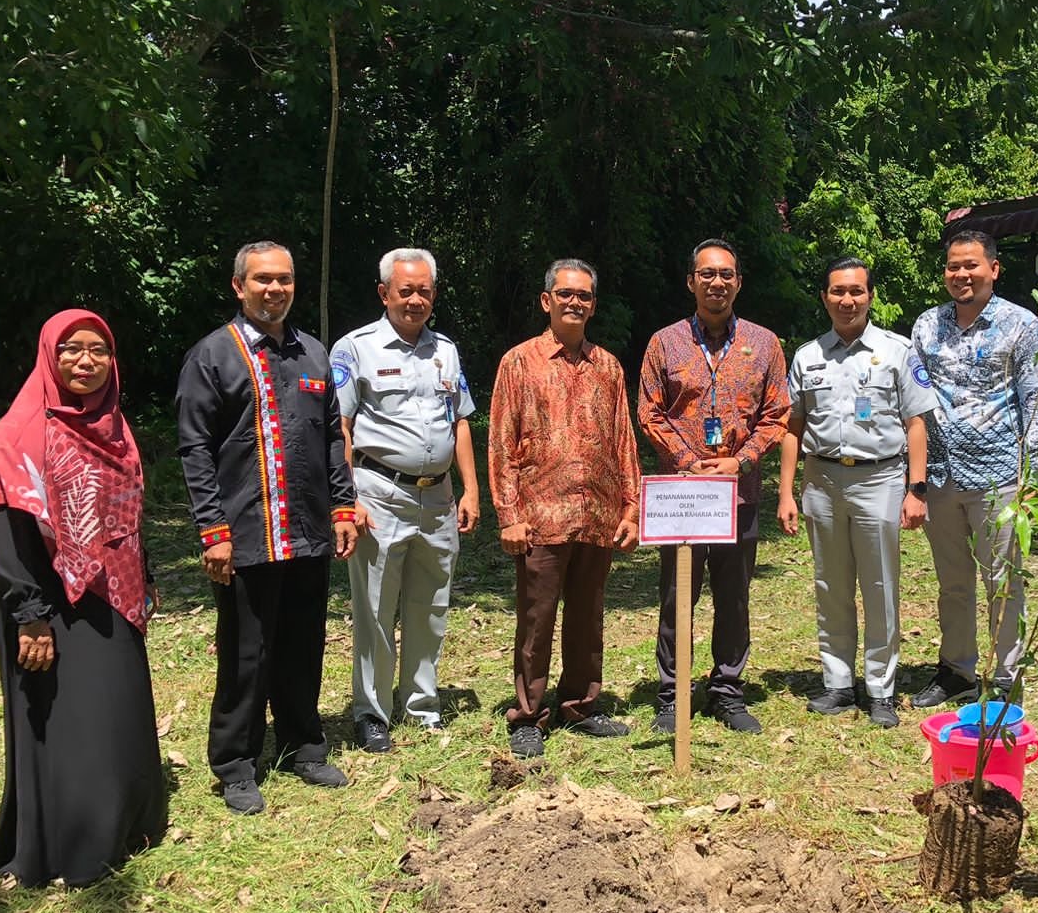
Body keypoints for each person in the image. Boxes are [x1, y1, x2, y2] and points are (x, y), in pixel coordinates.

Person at [0, 309, 167, 886]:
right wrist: (30, 615)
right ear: (49, 357)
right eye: (71, 349)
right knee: (62, 719)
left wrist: (143, 570)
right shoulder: (16, 434)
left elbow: (126, 511)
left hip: (111, 589)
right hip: (44, 596)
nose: (86, 361)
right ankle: (73, 845)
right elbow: (8, 532)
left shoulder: (114, 426)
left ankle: (127, 824)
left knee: (115, 707)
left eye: (99, 350)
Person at [176, 241, 359, 814]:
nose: (275, 289)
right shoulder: (213, 356)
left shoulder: (312, 353)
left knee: (303, 644)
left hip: (307, 530)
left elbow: (332, 437)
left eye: (284, 279)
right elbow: (195, 448)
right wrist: (214, 530)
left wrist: (343, 506)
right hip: (248, 534)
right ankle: (236, 763)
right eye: (262, 279)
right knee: (246, 652)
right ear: (239, 286)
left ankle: (303, 745)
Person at [488, 258, 641, 758]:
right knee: (537, 619)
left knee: (587, 617)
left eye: (584, 296)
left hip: (597, 515)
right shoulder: (519, 362)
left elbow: (624, 441)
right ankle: (528, 714)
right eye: (566, 294)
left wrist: (631, 509)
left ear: (593, 305)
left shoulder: (608, 367)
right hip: (540, 517)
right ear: (546, 301)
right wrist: (509, 515)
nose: (575, 302)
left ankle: (580, 703)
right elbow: (501, 442)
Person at [330, 248, 479, 753]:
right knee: (375, 608)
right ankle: (372, 713)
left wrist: (470, 489)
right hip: (379, 494)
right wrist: (347, 498)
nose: (416, 300)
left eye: (424, 292)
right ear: (384, 293)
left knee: (430, 604)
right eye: (406, 291)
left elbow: (460, 421)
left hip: (437, 498)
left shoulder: (446, 351)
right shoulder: (356, 349)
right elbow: (341, 426)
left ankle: (421, 703)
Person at [777, 258, 937, 727]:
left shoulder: (898, 351)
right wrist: (786, 493)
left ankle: (880, 689)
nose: (847, 300)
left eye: (856, 291)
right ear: (824, 297)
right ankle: (838, 683)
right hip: (822, 480)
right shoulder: (808, 356)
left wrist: (916, 489)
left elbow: (916, 423)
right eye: (838, 291)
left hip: (879, 479)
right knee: (830, 585)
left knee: (880, 585)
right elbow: (792, 427)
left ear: (870, 296)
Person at [638, 238, 788, 734]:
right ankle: (672, 694)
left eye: (726, 274)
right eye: (707, 274)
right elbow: (649, 412)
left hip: (737, 494)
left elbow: (777, 415)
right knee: (676, 595)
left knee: (734, 596)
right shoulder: (664, 343)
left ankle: (727, 691)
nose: (716, 282)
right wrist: (689, 461)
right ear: (691, 282)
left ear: (738, 283)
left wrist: (739, 462)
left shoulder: (765, 344)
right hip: (682, 496)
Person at [909, 228, 1038, 708]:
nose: (961, 274)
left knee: (1003, 581)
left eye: (971, 265)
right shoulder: (927, 326)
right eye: (953, 266)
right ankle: (956, 670)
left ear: (993, 268)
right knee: (952, 581)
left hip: (1001, 476)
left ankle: (1006, 677)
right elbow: (916, 401)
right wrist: (916, 475)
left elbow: (1036, 402)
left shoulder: (1022, 326)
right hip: (942, 475)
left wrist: (1033, 477)